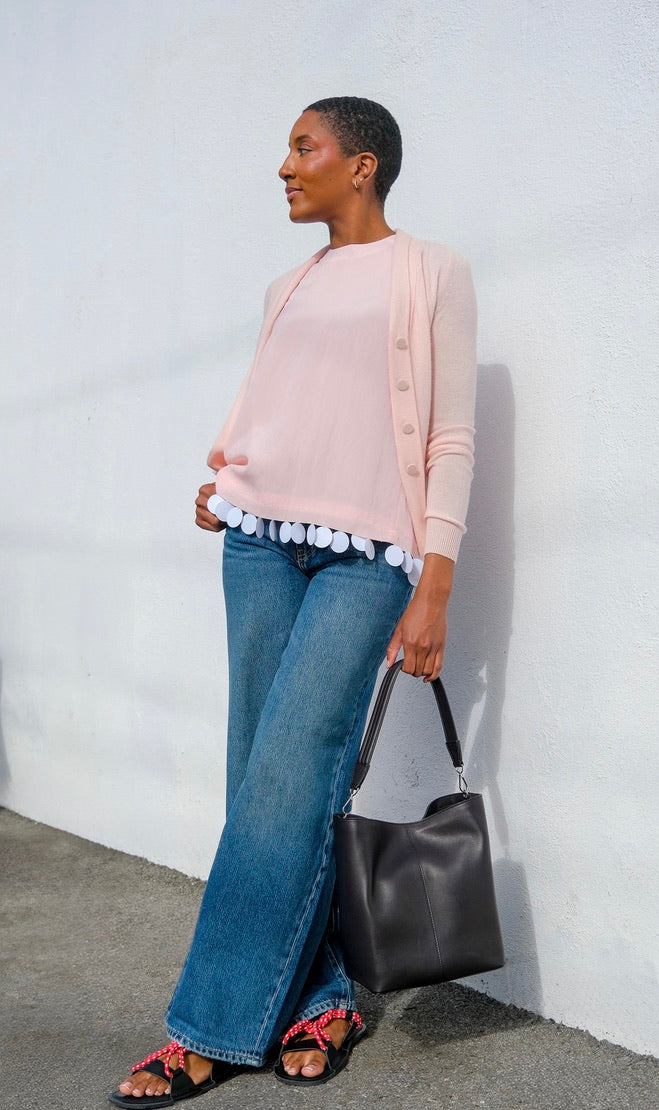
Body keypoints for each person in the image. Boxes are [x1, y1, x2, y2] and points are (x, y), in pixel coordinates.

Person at [109, 95, 477, 1106]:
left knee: (290, 777)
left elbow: (447, 434)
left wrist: (435, 577)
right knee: (257, 773)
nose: (284, 165)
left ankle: (205, 1030)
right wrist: (230, 478)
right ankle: (321, 997)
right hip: (260, 544)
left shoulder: (432, 271)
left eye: (303, 147)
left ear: (361, 165)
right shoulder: (290, 282)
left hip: (370, 559)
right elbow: (277, 405)